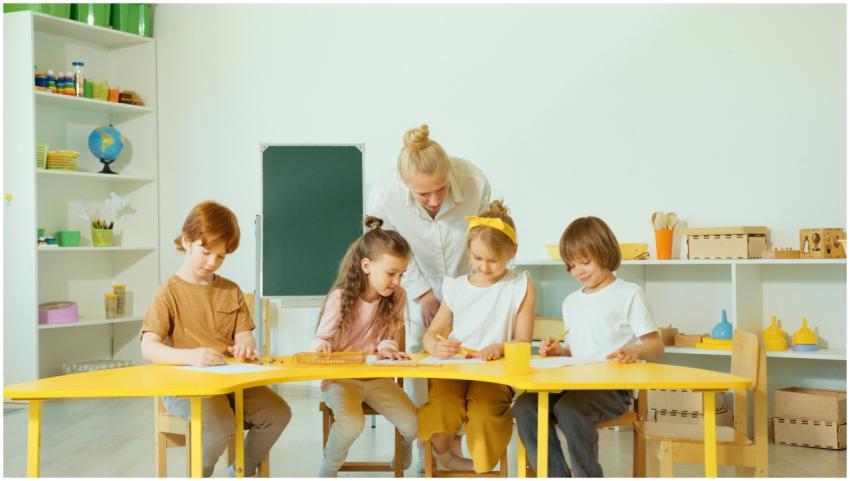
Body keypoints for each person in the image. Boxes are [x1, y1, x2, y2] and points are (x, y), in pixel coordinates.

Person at [367, 124, 491, 466]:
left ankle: (451, 446)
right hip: (412, 283)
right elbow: (387, 250)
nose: (435, 200)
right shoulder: (385, 194)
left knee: (465, 358)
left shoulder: (474, 182)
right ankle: (427, 450)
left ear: (449, 172)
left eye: (441, 189)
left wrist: (467, 292)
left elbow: (481, 240)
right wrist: (423, 294)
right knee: (419, 361)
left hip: (466, 283)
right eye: (424, 194)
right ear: (406, 184)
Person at [140, 201, 291, 477]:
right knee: (219, 425)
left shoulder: (230, 290)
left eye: (221, 256)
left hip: (232, 381)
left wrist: (245, 345)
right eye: (206, 252)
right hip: (187, 386)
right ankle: (200, 474)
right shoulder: (168, 292)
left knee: (278, 413)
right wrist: (190, 356)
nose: (212, 262)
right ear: (186, 241)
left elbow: (244, 334)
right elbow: (148, 347)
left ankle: (240, 471)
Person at [512, 216, 664, 477]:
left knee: (570, 410)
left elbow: (656, 345)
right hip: (573, 385)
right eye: (571, 266)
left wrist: (635, 350)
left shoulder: (629, 294)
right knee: (524, 406)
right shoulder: (571, 302)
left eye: (585, 262)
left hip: (613, 389)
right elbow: (578, 349)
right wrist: (559, 352)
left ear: (605, 252)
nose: (578, 272)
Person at [418, 200, 535, 473]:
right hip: (454, 368)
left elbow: (523, 342)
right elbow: (431, 334)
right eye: (477, 258)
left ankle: (482, 464)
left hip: (495, 372)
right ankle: (443, 454)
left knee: (484, 412)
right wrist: (436, 347)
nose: (484, 267)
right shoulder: (457, 287)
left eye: (493, 260)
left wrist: (500, 347)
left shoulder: (521, 286)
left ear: (513, 251)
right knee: (443, 408)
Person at [311, 216, 418, 477]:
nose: (397, 282)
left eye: (401, 275)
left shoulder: (397, 297)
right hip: (340, 380)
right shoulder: (341, 297)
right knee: (351, 424)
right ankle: (328, 469)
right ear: (367, 266)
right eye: (391, 273)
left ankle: (400, 458)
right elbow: (321, 339)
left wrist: (388, 348)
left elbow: (388, 336)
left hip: (376, 378)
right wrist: (321, 347)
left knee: (413, 424)